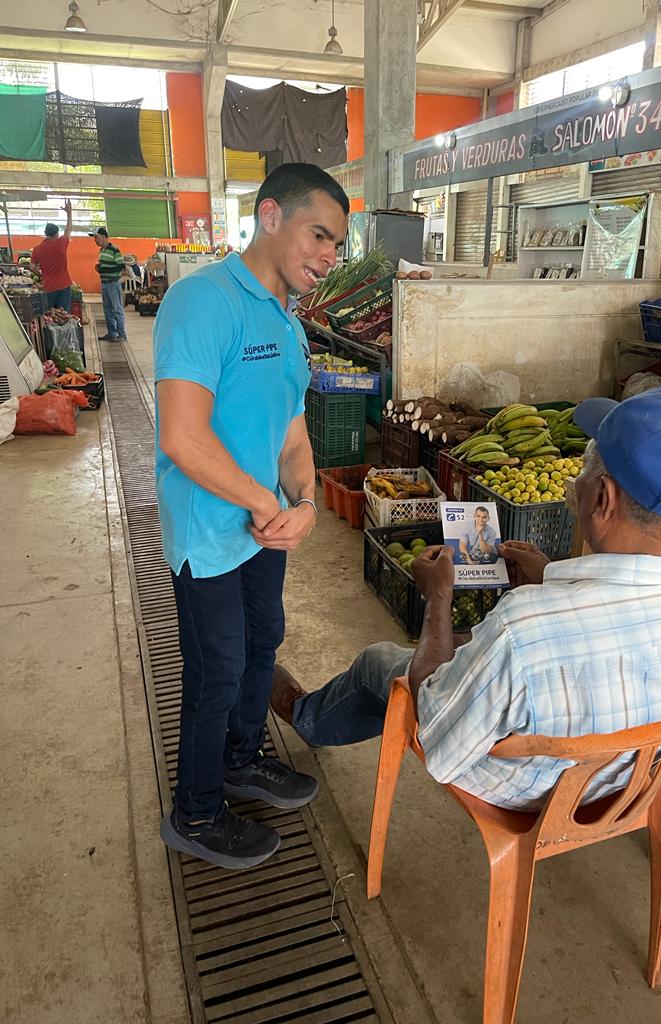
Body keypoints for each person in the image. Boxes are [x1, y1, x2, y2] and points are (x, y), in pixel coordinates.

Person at [270, 388, 661, 811]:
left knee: (380, 660)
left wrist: (438, 599)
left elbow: (438, 730)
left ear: (604, 499)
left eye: (585, 468)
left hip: (532, 791)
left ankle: (308, 717)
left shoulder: (524, 630)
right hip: (630, 784)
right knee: (473, 648)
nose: (577, 477)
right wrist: (552, 574)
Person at [154, 163, 349, 869]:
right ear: (270, 216)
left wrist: (306, 502)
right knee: (217, 668)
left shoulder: (287, 321)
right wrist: (269, 503)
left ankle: (241, 759)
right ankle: (196, 812)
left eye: (337, 244)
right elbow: (183, 435)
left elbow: (292, 430)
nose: (328, 255)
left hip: (264, 529)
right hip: (210, 533)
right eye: (318, 234)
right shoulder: (202, 302)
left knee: (264, 639)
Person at [31, 200, 73, 312]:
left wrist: (41, 274)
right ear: (56, 234)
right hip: (64, 285)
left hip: (48, 287)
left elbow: (32, 267)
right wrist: (69, 214)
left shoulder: (36, 249)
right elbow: (68, 230)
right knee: (63, 315)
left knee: (50, 315)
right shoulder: (61, 243)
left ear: (45, 233)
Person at [90, 227, 127, 342]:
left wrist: (108, 271)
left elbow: (121, 266)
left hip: (112, 283)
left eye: (97, 237)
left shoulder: (114, 250)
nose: (95, 240)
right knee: (107, 310)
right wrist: (100, 268)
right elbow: (106, 266)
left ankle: (121, 334)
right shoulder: (101, 251)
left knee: (117, 309)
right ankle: (112, 333)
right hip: (104, 283)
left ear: (105, 237)